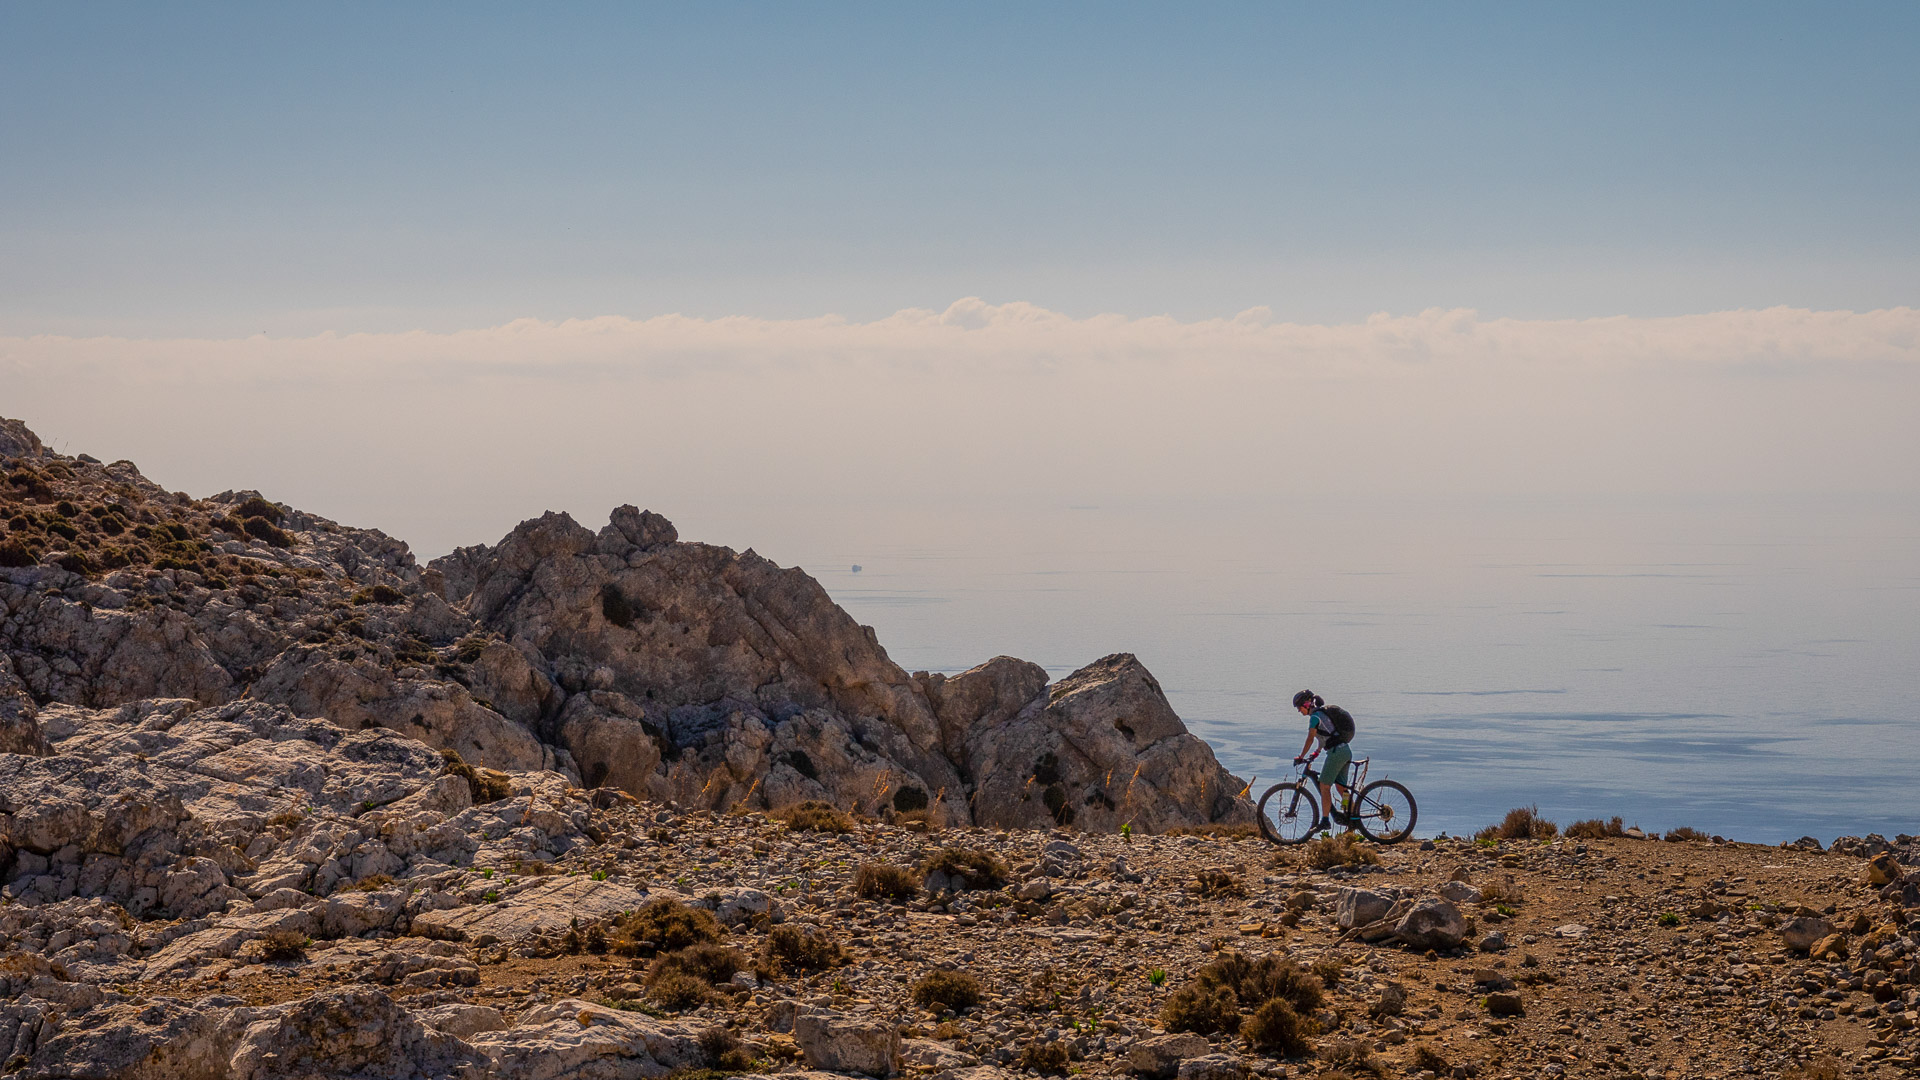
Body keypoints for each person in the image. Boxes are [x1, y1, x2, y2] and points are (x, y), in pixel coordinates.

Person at [1292, 690, 1354, 834]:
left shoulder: (1314, 717)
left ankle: (1325, 821)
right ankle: (1352, 819)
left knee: (1324, 786)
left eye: (1299, 708)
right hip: (1345, 751)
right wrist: (1316, 752)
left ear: (1306, 704)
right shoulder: (1322, 715)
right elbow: (1326, 736)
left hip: (1336, 753)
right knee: (1341, 788)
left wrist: (1301, 756)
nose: (1299, 711)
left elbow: (1311, 738)